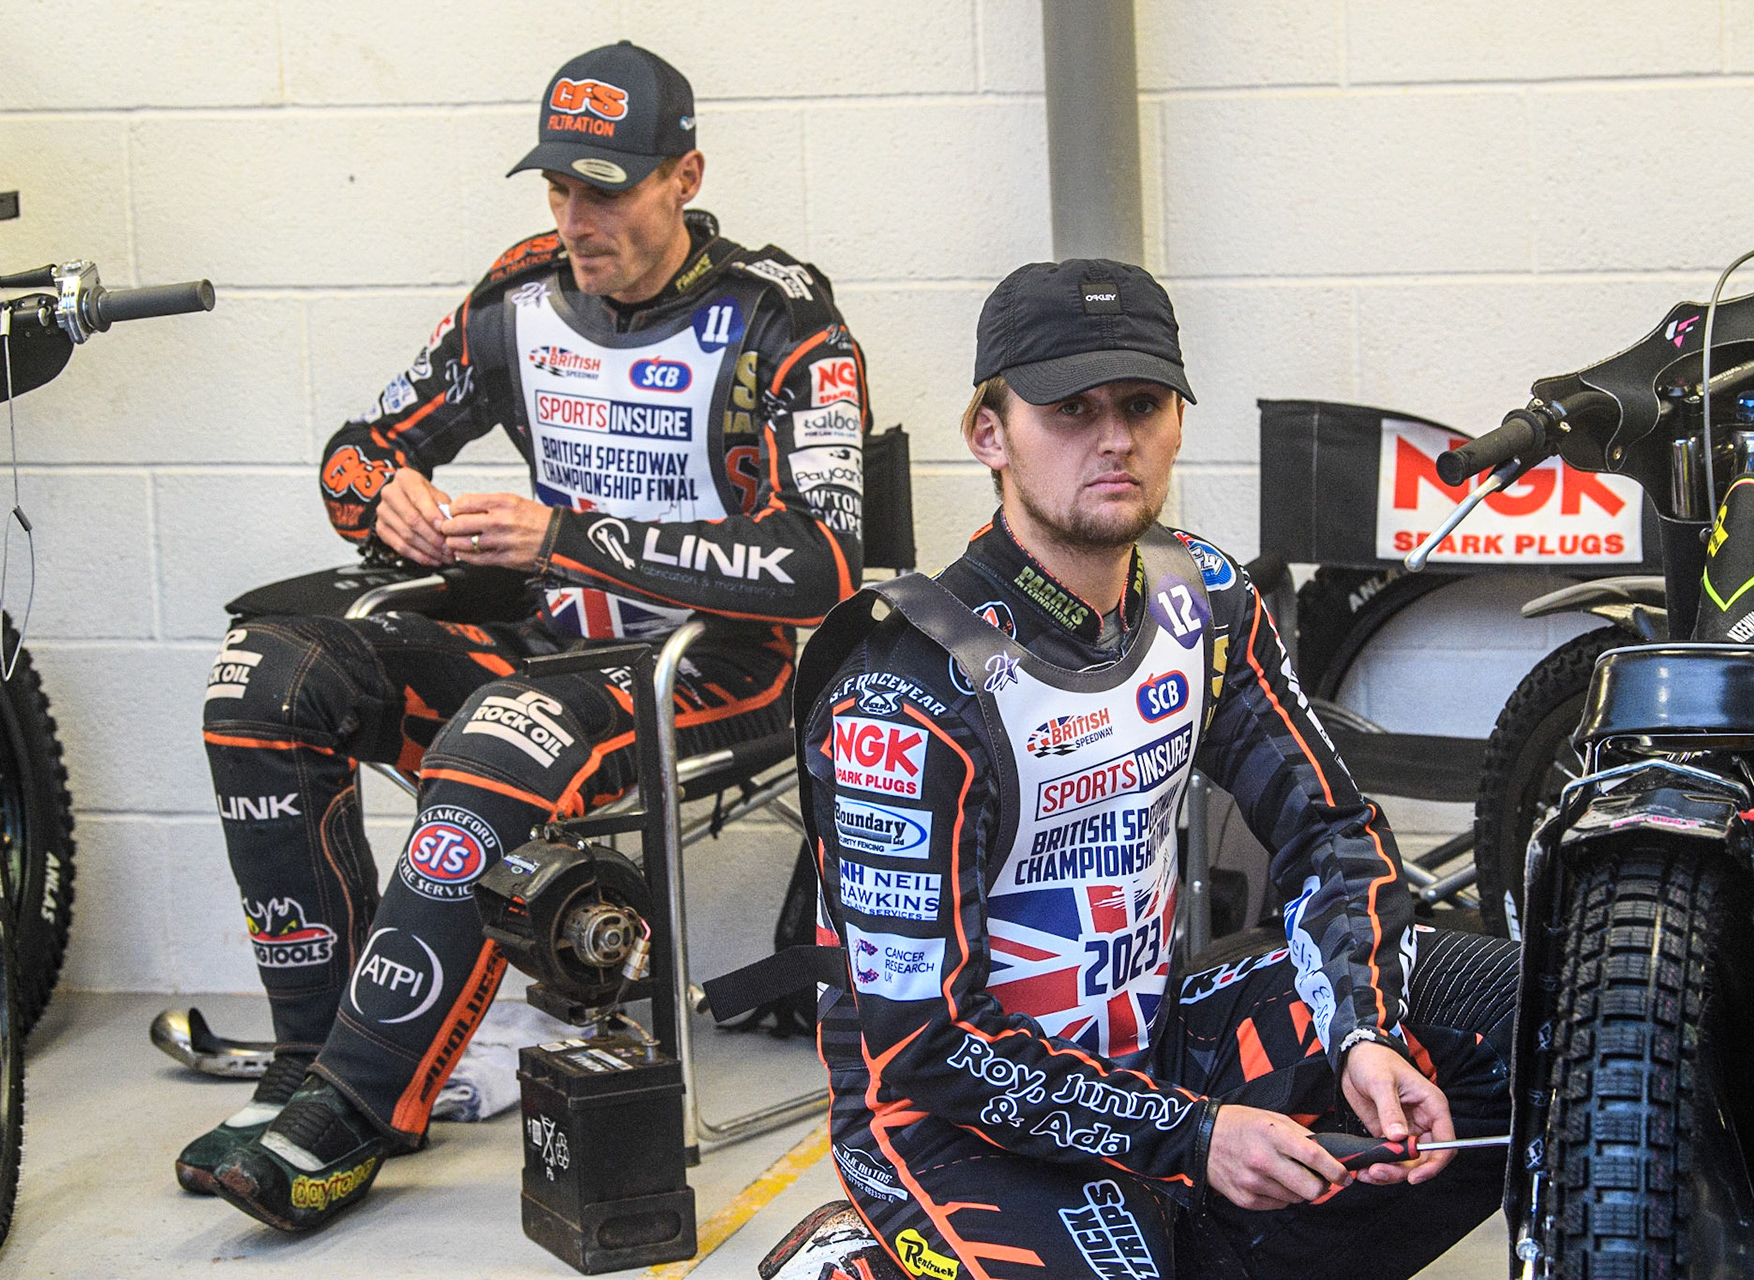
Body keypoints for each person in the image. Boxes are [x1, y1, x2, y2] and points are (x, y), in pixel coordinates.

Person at [187, 41, 870, 1232]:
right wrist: (384, 496)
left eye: (605, 186)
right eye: (557, 185)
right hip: (550, 644)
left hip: (714, 669)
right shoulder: (518, 294)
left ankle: (358, 1107)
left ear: (685, 174)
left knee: (502, 734)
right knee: (262, 672)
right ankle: (307, 1061)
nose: (575, 216)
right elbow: (360, 445)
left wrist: (571, 535)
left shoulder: (780, 316)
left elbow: (822, 565)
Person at [792, 260, 1517, 1278]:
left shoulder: (1202, 596)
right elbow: (928, 1048)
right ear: (989, 433)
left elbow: (1331, 830)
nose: (1115, 437)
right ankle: (863, 1261)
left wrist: (1365, 1031)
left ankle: (1182, 1233)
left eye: (1141, 402)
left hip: (1160, 1041)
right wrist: (1199, 1135)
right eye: (1069, 409)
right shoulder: (905, 689)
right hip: (950, 1119)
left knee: (1534, 1016)